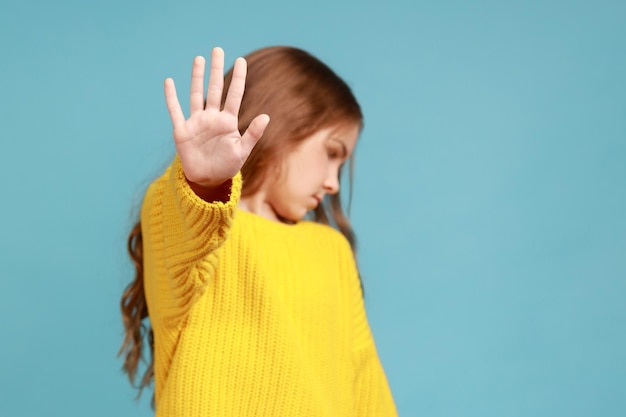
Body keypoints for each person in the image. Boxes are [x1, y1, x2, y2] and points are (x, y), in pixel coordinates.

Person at [120, 45, 397, 416]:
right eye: (332, 153)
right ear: (283, 124)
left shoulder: (331, 250)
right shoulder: (190, 225)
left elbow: (365, 386)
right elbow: (186, 221)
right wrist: (204, 183)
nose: (333, 183)